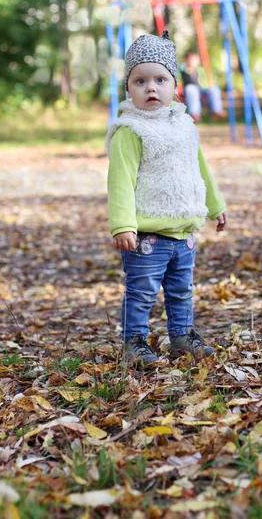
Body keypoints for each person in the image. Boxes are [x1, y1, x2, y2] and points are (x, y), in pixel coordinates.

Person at [106, 30, 228, 365]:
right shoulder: (130, 131)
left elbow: (199, 167)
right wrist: (122, 225)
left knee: (181, 291)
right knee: (142, 293)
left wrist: (215, 206)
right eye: (140, 81)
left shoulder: (184, 124)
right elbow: (120, 180)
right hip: (146, 234)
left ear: (174, 85)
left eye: (160, 79)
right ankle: (134, 343)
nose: (151, 88)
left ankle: (182, 336)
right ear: (128, 88)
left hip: (183, 230)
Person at [180, 51, 227, 122]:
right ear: (186, 60)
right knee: (191, 88)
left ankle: (216, 111)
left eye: (197, 60)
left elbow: (205, 83)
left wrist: (209, 84)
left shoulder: (200, 70)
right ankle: (194, 113)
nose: (195, 62)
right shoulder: (182, 69)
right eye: (193, 60)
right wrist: (189, 70)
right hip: (188, 94)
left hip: (201, 92)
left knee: (214, 88)